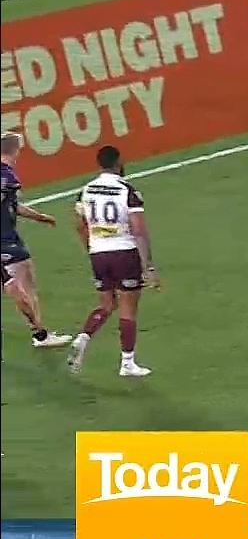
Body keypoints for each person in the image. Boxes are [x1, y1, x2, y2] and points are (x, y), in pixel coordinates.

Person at [65, 145, 156, 378]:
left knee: (106, 305)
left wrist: (91, 247)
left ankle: (83, 337)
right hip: (124, 252)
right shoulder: (128, 191)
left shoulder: (85, 190)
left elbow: (79, 224)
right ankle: (127, 363)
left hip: (98, 253)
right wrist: (148, 266)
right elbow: (138, 229)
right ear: (118, 162)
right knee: (128, 309)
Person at [1, 132, 72, 349]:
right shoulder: (6, 177)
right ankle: (40, 334)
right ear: (15, 150)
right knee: (21, 286)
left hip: (9, 237)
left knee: (19, 284)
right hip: (5, 240)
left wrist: (41, 217)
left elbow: (13, 206)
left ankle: (39, 332)